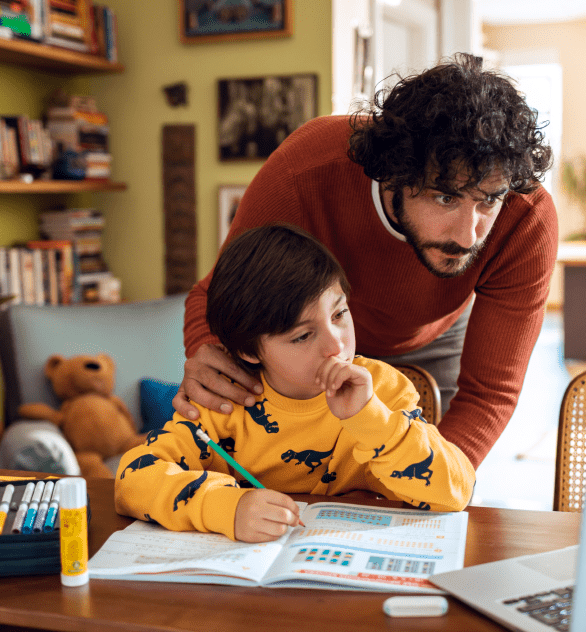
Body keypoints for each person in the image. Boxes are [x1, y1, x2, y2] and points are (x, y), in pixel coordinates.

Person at [176, 53, 558, 468]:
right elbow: (215, 295)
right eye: (445, 197)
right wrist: (208, 350)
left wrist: (433, 483)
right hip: (310, 342)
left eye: (488, 201)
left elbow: (489, 393)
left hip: (435, 341)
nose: (469, 236)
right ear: (394, 173)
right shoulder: (304, 172)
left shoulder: (527, 219)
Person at [116, 224, 474, 542]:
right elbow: (132, 479)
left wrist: (373, 420)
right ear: (250, 351)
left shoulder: (384, 390)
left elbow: (456, 492)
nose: (336, 345)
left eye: (339, 313)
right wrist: (225, 508)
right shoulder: (223, 403)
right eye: (303, 336)